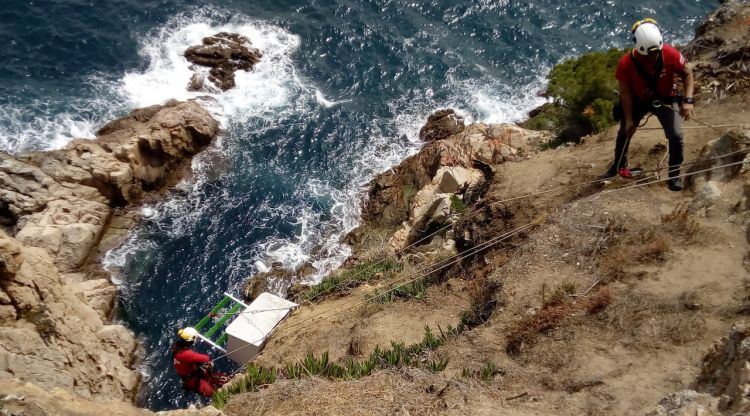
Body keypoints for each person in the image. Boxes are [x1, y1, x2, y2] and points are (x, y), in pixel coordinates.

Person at [601, 18, 694, 191]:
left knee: (675, 135)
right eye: (648, 55)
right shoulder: (626, 64)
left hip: (666, 98)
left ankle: (674, 175)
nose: (653, 57)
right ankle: (618, 166)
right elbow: (626, 94)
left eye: (656, 53)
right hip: (638, 100)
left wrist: (688, 100)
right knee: (624, 132)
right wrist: (629, 120)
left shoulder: (670, 53)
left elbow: (687, 73)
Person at [172, 327, 229, 397]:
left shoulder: (178, 348)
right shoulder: (186, 354)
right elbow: (206, 358)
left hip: (192, 373)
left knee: (223, 378)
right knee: (215, 394)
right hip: (193, 379)